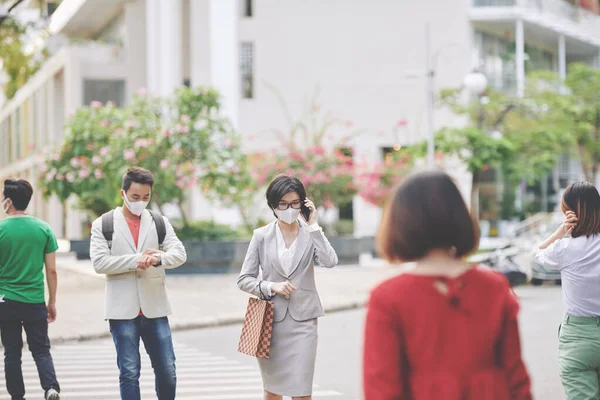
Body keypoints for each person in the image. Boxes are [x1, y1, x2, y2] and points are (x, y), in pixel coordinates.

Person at [363, 170, 531, 400]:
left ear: (399, 223)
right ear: (460, 216)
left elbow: (382, 388)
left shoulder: (388, 297)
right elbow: (517, 379)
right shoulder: (494, 287)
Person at [89, 167, 187, 400]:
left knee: (167, 370)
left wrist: (158, 258)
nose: (140, 202)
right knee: (129, 372)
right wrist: (137, 260)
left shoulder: (158, 221)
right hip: (122, 311)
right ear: (122, 193)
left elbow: (180, 254)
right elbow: (100, 263)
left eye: (146, 197)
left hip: (155, 307)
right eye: (135, 197)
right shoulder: (103, 224)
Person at [237, 175, 338, 400]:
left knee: (302, 392)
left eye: (294, 203)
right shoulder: (261, 236)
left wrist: (313, 226)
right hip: (270, 323)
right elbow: (244, 279)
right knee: (272, 392)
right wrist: (272, 286)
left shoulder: (310, 234)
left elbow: (330, 261)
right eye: (283, 204)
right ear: (273, 206)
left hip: (304, 322)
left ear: (303, 204)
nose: (289, 209)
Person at [534, 181, 600, 399]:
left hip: (578, 339)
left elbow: (538, 255)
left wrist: (560, 232)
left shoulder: (564, 249)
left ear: (570, 213)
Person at [0, 179, 61, 400]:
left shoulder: (0, 229)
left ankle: (17, 396)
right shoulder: (43, 228)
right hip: (35, 301)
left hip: (6, 302)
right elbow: (52, 270)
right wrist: (52, 301)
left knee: (12, 353)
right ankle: (51, 388)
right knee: (41, 350)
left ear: (8, 201)